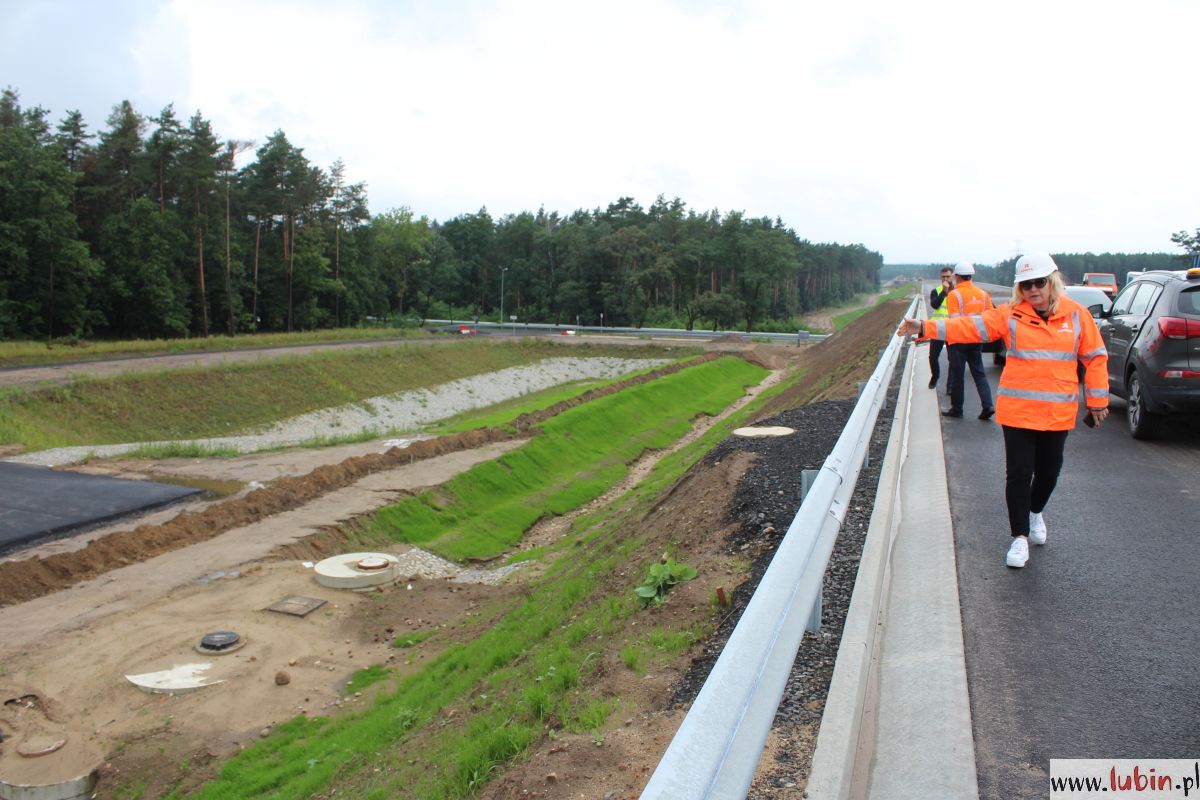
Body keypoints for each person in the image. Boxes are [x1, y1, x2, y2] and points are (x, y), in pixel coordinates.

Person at [897, 253, 1109, 568]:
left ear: (1052, 282)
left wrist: (1097, 401)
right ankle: (1019, 537)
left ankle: (1035, 512)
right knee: (1020, 474)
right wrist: (925, 327)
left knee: (1049, 473)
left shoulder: (1077, 316)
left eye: (1039, 283)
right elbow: (968, 327)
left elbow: (1095, 357)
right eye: (1026, 285)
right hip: (1018, 412)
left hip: (1057, 413)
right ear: (1019, 289)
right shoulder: (1010, 315)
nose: (1033, 290)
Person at [942, 261, 995, 420]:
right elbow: (991, 316)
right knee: (979, 373)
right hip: (976, 339)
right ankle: (988, 405)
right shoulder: (983, 294)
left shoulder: (954, 295)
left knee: (958, 376)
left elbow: (954, 320)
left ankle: (957, 409)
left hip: (958, 341)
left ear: (956, 277)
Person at [925, 266, 953, 389]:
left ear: (952, 277)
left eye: (948, 276)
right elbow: (935, 305)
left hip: (953, 328)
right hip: (938, 328)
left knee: (953, 358)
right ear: (940, 277)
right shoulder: (936, 291)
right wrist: (944, 292)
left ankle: (950, 385)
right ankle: (935, 376)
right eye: (943, 277)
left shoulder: (957, 292)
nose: (945, 279)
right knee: (933, 356)